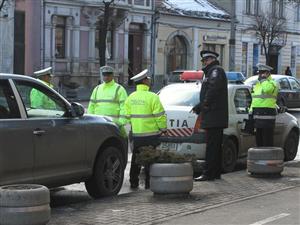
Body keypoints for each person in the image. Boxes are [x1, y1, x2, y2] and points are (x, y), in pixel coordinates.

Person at [124, 69, 167, 189]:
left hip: (137, 135)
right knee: (150, 159)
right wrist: (163, 129)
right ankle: (149, 184)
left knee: (136, 159)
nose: (149, 80)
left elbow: (126, 116)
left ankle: (133, 182)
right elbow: (160, 116)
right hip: (151, 135)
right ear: (144, 81)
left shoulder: (131, 97)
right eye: (147, 78)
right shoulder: (153, 97)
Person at [192, 50, 228, 181]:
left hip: (213, 115)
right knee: (215, 146)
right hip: (214, 115)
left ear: (212, 59)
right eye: (204, 60)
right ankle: (215, 173)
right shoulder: (213, 71)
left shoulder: (215, 71)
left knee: (212, 146)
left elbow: (212, 90)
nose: (205, 62)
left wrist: (202, 105)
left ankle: (208, 173)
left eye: (206, 60)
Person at [88, 66, 128, 137]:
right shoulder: (97, 89)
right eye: (104, 75)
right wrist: (90, 121)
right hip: (99, 124)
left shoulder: (119, 89)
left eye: (108, 75)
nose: (106, 77)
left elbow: (124, 107)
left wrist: (121, 123)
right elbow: (91, 106)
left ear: (112, 75)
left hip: (114, 125)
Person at [249, 63, 279, 147]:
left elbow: (267, 90)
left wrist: (264, 79)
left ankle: (267, 158)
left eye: (262, 72)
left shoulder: (273, 83)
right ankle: (260, 157)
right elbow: (254, 99)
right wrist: (250, 111)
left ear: (267, 73)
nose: (259, 75)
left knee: (267, 140)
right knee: (259, 140)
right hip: (257, 114)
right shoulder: (258, 84)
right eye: (259, 72)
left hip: (267, 115)